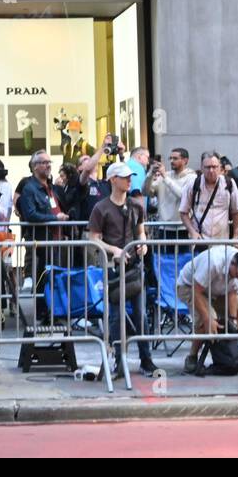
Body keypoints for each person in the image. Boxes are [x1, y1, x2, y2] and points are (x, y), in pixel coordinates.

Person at [88, 162, 158, 377]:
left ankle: (146, 360)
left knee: (140, 315)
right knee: (116, 317)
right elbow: (93, 239)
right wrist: (114, 250)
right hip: (113, 269)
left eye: (130, 177)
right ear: (112, 180)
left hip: (135, 267)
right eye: (124, 177)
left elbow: (141, 231)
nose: (129, 180)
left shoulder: (136, 205)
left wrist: (143, 243)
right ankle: (118, 361)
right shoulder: (101, 208)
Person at [178, 246, 238, 374]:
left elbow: (232, 292)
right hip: (190, 287)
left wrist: (232, 321)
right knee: (208, 318)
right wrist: (208, 318)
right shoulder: (213, 261)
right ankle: (192, 357)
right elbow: (196, 292)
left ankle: (232, 356)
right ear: (234, 264)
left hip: (215, 290)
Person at [16, 150, 68, 283]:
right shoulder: (29, 188)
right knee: (44, 280)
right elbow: (31, 215)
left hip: (57, 240)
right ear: (35, 167)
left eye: (49, 162)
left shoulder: (51, 187)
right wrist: (55, 218)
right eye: (44, 163)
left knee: (56, 279)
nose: (48, 165)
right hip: (42, 242)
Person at [181, 152, 238, 244]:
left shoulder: (229, 183)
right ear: (201, 167)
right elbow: (183, 212)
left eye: (214, 167)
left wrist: (236, 236)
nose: (211, 170)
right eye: (207, 167)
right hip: (199, 240)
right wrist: (192, 232)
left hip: (222, 240)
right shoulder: (192, 184)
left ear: (220, 168)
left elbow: (237, 211)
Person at [146, 147, 194, 225]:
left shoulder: (191, 177)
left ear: (185, 160)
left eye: (175, 158)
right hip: (163, 226)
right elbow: (146, 192)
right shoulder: (165, 176)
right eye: (170, 158)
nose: (171, 161)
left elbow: (183, 195)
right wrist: (150, 174)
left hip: (183, 227)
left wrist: (165, 177)